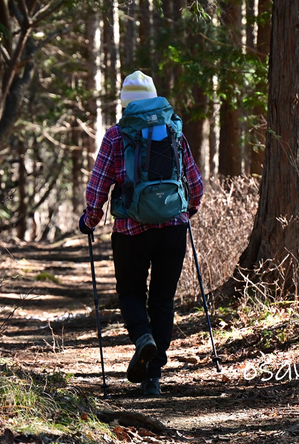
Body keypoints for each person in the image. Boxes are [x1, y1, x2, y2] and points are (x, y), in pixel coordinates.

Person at [79, 71, 204, 396]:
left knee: (132, 293)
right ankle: (153, 377)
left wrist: (89, 220)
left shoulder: (116, 136)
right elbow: (195, 182)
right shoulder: (174, 129)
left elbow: (98, 187)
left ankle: (143, 339)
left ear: (126, 103)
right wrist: (188, 210)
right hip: (174, 228)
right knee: (162, 299)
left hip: (131, 231)